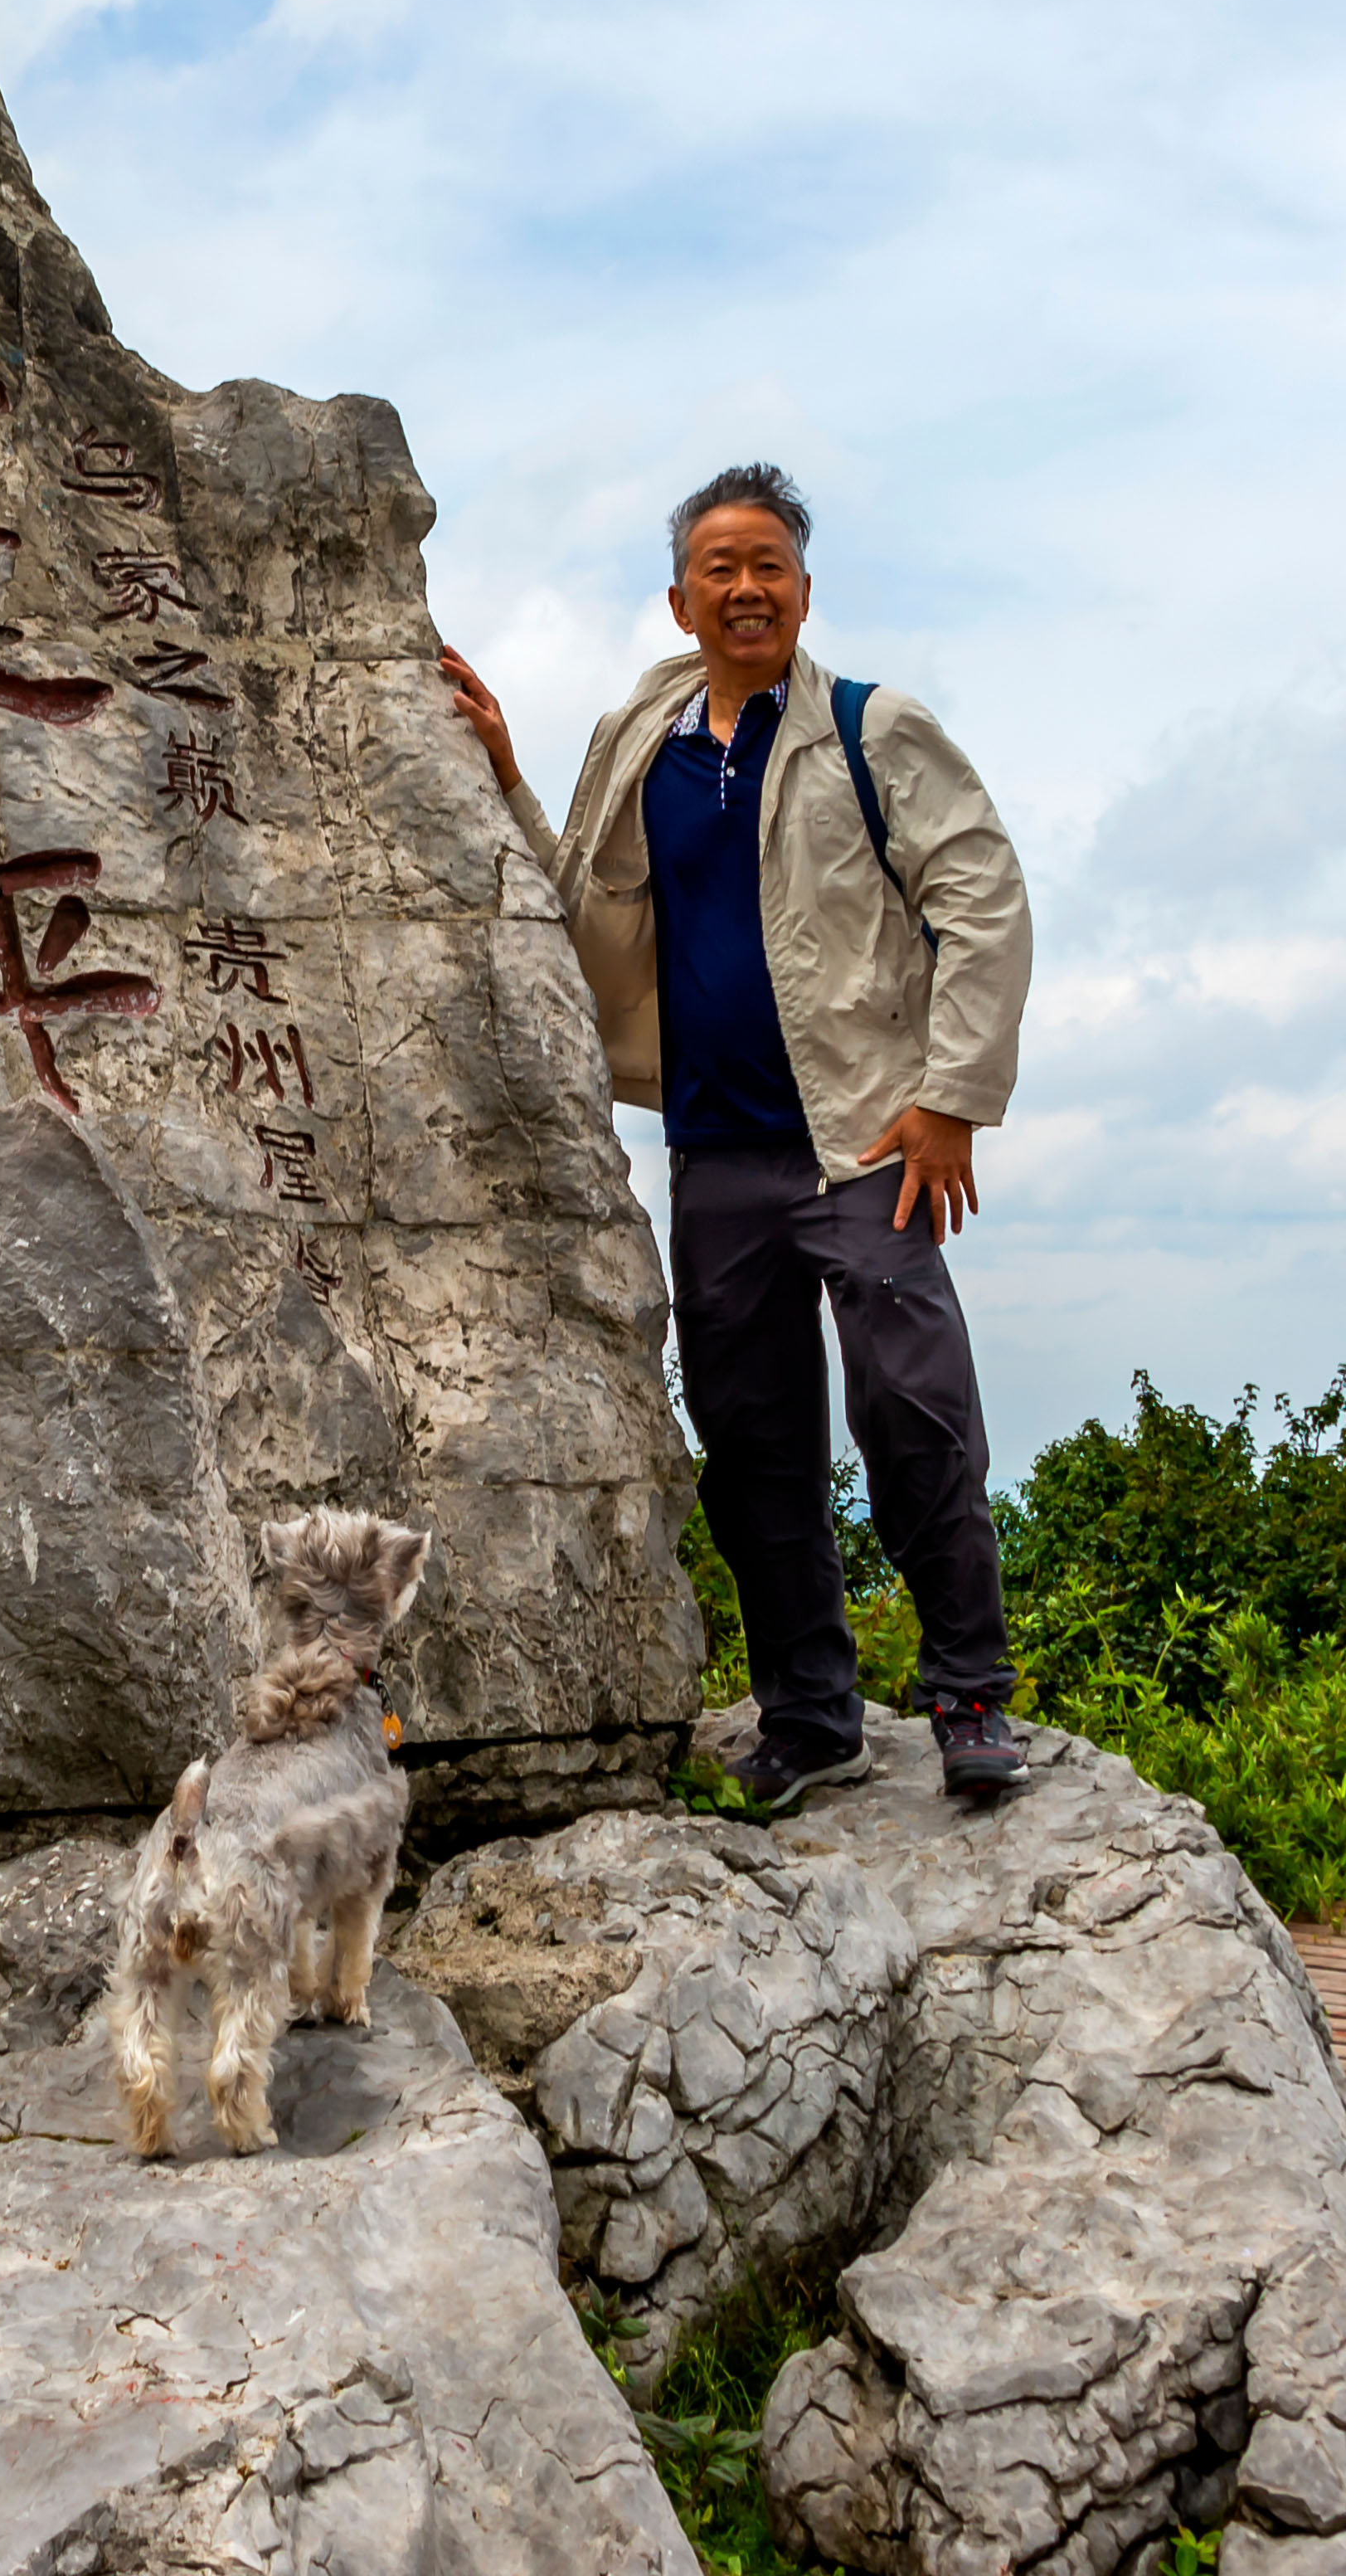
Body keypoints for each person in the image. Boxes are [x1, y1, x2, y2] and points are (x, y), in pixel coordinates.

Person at [446, 464, 1037, 1805]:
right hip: (714, 1152)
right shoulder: (643, 736)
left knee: (917, 1415)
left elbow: (984, 900)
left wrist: (949, 1101)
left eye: (769, 564)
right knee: (755, 1438)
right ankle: (811, 1716)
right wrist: (504, 772)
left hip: (864, 1143)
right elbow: (575, 900)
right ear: (680, 598)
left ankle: (968, 1698)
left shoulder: (872, 731)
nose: (746, 587)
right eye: (720, 566)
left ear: (804, 591)